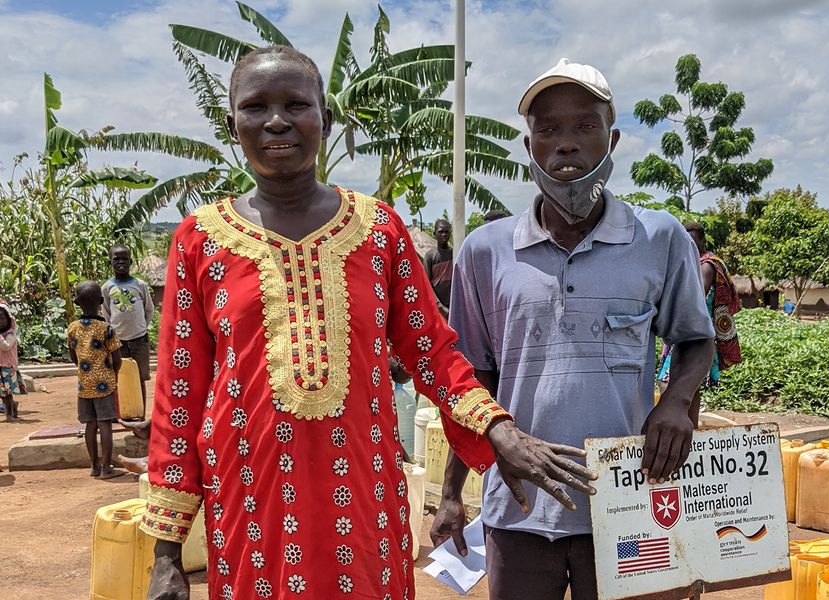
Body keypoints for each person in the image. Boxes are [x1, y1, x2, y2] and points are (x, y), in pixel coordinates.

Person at [142, 46, 595, 600]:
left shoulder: (378, 230)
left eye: (296, 104)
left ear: (324, 119)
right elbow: (178, 395)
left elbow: (433, 352)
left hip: (359, 494)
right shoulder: (199, 239)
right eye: (255, 107)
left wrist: (498, 429)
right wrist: (167, 553)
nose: (277, 121)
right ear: (232, 122)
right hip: (250, 503)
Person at [430, 58, 716, 600]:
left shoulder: (660, 238)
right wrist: (451, 492)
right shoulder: (485, 252)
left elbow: (696, 338)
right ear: (530, 146)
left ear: (611, 139)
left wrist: (676, 401)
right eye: (549, 130)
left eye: (585, 126)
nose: (566, 144)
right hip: (518, 510)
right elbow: (470, 383)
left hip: (632, 503)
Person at [658, 222, 742, 416]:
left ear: (703, 242)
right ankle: (691, 432)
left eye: (694, 242)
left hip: (693, 334)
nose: (691, 246)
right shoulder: (692, 262)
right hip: (692, 331)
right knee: (689, 385)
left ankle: (672, 426)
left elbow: (694, 297)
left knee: (668, 382)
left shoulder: (706, 266)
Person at [68, 281, 125, 479]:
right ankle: (107, 468)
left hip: (83, 384)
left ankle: (94, 466)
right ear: (101, 300)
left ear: (76, 302)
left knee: (90, 426)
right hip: (104, 384)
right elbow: (117, 359)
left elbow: (73, 357)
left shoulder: (72, 328)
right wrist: (113, 376)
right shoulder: (106, 328)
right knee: (105, 425)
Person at [102, 244, 154, 418]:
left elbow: (149, 310)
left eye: (125, 258)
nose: (121, 262)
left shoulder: (140, 285)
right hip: (118, 341)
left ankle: (140, 414)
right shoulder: (107, 287)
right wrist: (114, 333)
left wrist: (141, 328)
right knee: (121, 377)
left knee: (139, 378)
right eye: (117, 259)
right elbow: (107, 313)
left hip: (140, 340)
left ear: (131, 261)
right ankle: (124, 413)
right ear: (110, 262)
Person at [423, 218, 453, 318]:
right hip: (438, 307)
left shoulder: (455, 252)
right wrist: (440, 306)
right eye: (440, 232)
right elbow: (427, 284)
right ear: (434, 233)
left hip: (454, 304)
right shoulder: (430, 256)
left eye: (446, 232)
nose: (444, 235)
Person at [0, 300, 25, 421]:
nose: (0, 322)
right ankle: (12, 407)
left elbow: (5, 346)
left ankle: (9, 414)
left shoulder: (10, 334)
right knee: (2, 393)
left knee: (8, 393)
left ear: (9, 320)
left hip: (8, 367)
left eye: (2, 319)